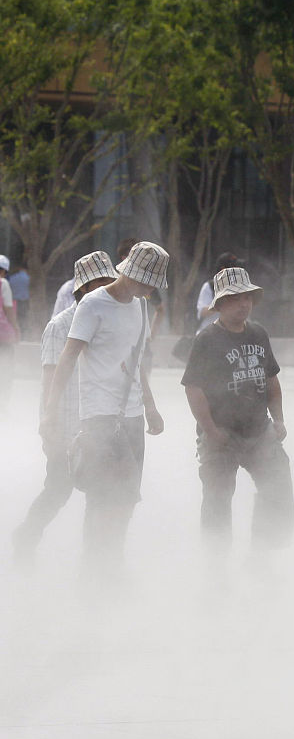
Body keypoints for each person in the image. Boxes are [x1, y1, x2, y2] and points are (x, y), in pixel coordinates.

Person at [41, 242, 168, 574]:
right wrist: (50, 412)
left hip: (132, 417)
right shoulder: (94, 304)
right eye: (148, 282)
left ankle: (113, 565)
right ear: (131, 274)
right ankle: (94, 570)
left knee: (127, 499)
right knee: (103, 500)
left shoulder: (141, 307)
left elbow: (136, 360)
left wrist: (150, 406)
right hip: (99, 417)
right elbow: (67, 358)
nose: (150, 290)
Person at [12, 253, 119, 563]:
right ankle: (26, 536)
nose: (106, 289)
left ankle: (93, 560)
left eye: (109, 283)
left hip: (98, 425)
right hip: (66, 425)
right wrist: (49, 427)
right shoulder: (59, 326)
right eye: (99, 283)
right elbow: (48, 380)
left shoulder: (110, 323)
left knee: (100, 494)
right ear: (82, 288)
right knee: (58, 491)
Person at [182, 266, 294, 551]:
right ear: (220, 304)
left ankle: (261, 558)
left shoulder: (258, 333)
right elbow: (193, 389)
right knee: (217, 501)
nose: (243, 304)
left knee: (278, 488)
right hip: (221, 434)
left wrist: (279, 420)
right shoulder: (207, 340)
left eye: (247, 297)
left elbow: (271, 380)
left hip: (259, 430)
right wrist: (211, 431)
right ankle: (216, 565)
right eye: (235, 298)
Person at [197, 253, 239, 333]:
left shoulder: (239, 287)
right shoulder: (210, 286)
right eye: (232, 268)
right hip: (209, 333)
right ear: (222, 269)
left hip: (231, 334)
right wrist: (222, 303)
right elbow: (202, 312)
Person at [0, 256, 20, 407]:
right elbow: (8, 310)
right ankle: (3, 403)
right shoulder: (3, 284)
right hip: (3, 336)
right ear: (4, 271)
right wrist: (16, 328)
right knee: (5, 369)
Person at [7, 261, 30, 333]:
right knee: (24, 318)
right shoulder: (29, 278)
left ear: (19, 268)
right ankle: (23, 333)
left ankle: (16, 333)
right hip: (25, 302)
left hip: (14, 302)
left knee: (15, 319)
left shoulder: (12, 278)